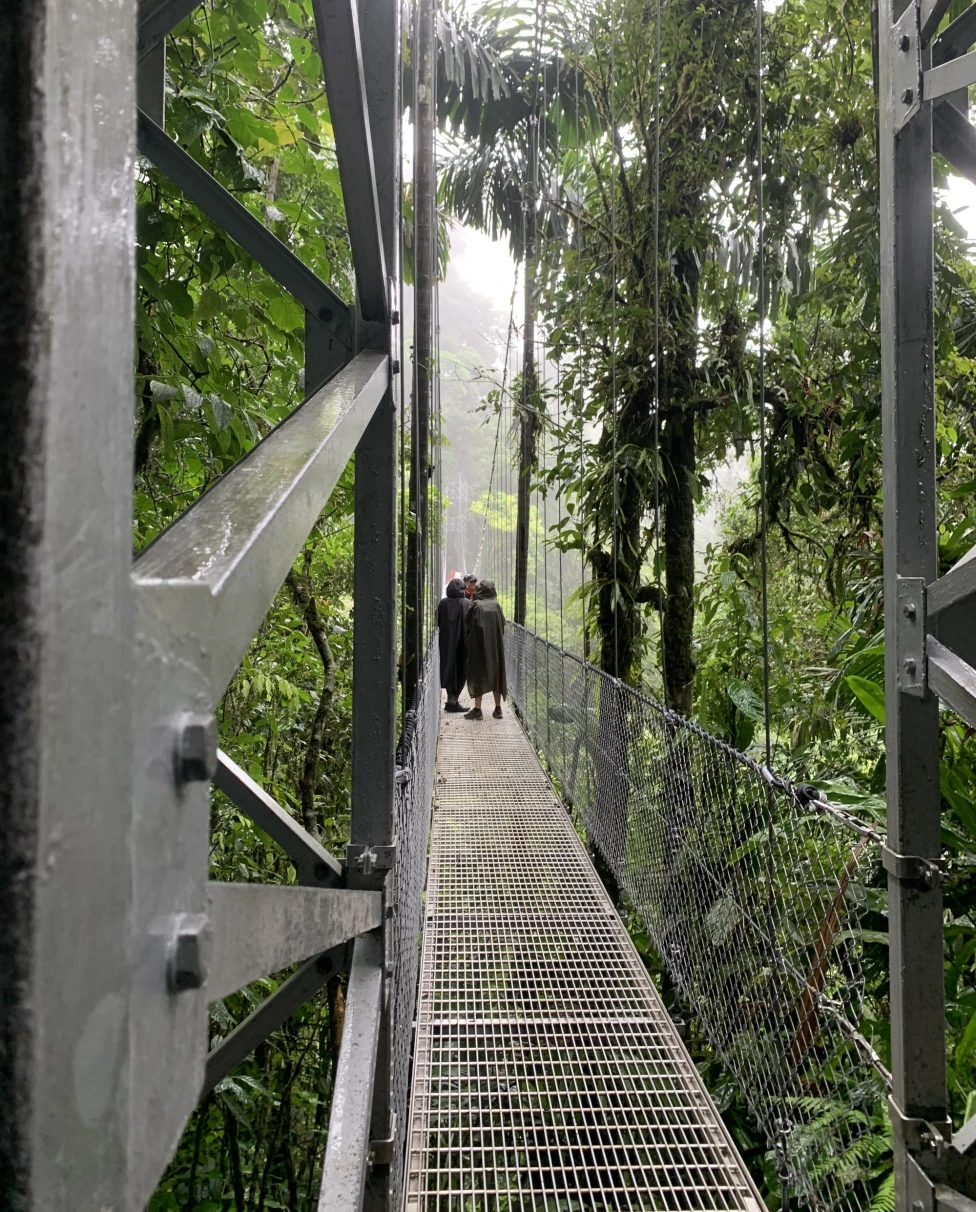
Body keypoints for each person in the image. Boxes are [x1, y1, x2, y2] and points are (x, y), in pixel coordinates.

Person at [463, 579, 507, 720]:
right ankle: (498, 709)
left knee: (478, 675)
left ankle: (477, 710)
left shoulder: (477, 606)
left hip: (478, 647)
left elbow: (468, 622)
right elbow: (503, 624)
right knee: (496, 675)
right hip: (495, 648)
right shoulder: (497, 606)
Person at [436, 578, 469, 712]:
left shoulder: (442, 603)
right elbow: (469, 622)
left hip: (445, 643)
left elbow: (437, 621)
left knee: (448, 667)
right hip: (462, 643)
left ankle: (451, 699)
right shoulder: (465, 603)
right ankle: (453, 700)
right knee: (461, 669)